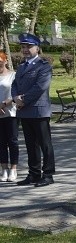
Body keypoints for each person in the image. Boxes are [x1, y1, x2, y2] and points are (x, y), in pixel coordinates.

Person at [12, 33, 54, 187]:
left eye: (29, 46)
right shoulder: (22, 66)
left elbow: (40, 87)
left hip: (38, 110)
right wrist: (15, 97)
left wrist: (22, 100)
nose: (25, 49)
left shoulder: (44, 66)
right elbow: (14, 84)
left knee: (45, 144)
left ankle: (48, 174)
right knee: (30, 145)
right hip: (25, 111)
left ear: (37, 48)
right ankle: (34, 174)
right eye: (23, 47)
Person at [0, 52, 18, 182]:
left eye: (0, 60)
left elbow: (17, 92)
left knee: (12, 141)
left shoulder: (13, 75)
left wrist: (6, 103)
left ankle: (13, 168)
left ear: (5, 61)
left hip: (10, 112)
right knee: (1, 143)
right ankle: (4, 168)